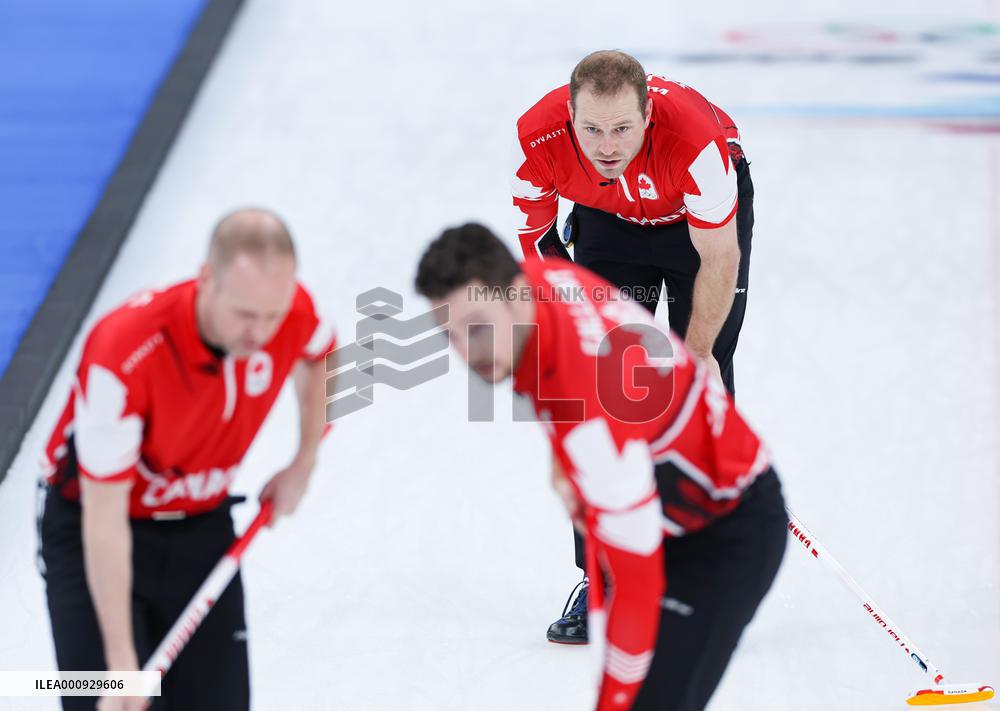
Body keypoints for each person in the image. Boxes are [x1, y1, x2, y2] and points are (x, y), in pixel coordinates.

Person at [414, 224, 785, 711]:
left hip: (724, 533)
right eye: (450, 334)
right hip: (665, 492)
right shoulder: (542, 279)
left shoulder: (593, 425)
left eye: (477, 328)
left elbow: (634, 583)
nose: (466, 353)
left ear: (515, 293)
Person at [38, 209, 336, 711]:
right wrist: (121, 665)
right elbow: (104, 518)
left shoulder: (291, 314)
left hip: (200, 522)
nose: (260, 333)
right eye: (245, 314)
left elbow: (324, 354)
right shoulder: (124, 352)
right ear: (205, 280)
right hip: (95, 524)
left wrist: (304, 462)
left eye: (273, 315)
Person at [511, 50, 755, 642]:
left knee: (703, 388)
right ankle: (603, 576)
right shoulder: (538, 138)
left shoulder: (697, 144)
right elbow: (538, 243)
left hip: (696, 235)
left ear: (648, 113)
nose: (606, 145)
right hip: (610, 225)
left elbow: (719, 260)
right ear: (569, 116)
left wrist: (697, 356)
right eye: (591, 128)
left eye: (622, 127)